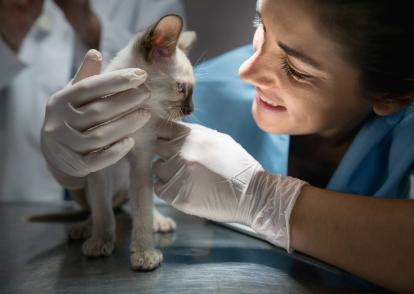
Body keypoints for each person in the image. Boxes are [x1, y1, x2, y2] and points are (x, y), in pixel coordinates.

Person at [40, 0, 414, 292]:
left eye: (296, 69)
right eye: (260, 25)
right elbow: (107, 177)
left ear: (394, 95)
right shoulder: (213, 89)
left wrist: (266, 199)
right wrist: (68, 164)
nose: (246, 70)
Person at [0, 0, 185, 202]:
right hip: (24, 193)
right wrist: (10, 36)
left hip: (129, 198)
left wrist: (89, 25)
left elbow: (170, 83)